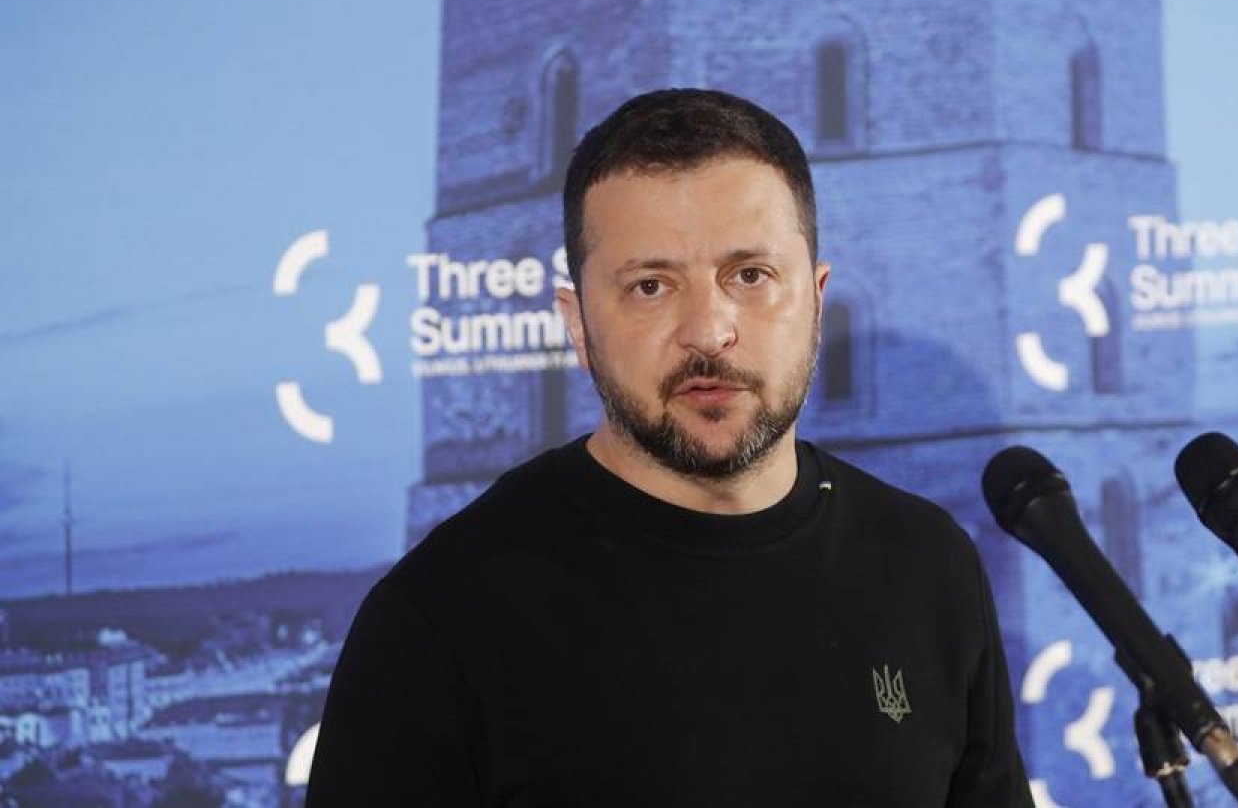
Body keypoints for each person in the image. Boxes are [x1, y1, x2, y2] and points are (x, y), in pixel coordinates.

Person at [306, 88, 1033, 806]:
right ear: (578, 323)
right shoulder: (440, 620)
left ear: (816, 300)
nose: (709, 330)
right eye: (650, 286)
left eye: (750, 276)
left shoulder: (928, 564)